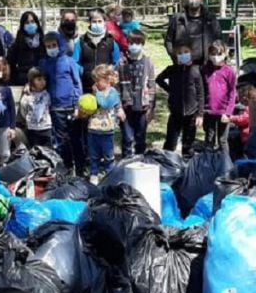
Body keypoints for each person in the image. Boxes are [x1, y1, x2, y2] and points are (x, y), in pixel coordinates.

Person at [41, 30, 83, 169]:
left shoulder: (69, 61)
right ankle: (66, 167)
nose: (52, 48)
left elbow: (77, 83)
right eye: (48, 46)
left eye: (54, 45)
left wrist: (77, 105)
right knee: (60, 140)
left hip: (71, 106)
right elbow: (39, 81)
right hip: (55, 107)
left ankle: (80, 167)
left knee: (75, 138)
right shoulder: (45, 64)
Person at [157, 43, 204, 155]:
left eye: (186, 52)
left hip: (191, 112)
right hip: (175, 111)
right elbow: (159, 79)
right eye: (180, 53)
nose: (183, 55)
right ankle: (167, 163)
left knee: (188, 143)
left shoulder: (195, 71)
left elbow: (201, 93)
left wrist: (200, 114)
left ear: (191, 54)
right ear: (176, 56)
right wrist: (170, 90)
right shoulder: (172, 70)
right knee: (170, 141)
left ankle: (187, 165)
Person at [118, 29, 156, 157]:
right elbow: (116, 87)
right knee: (127, 138)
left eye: (138, 43)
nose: (134, 46)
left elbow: (151, 85)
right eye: (132, 42)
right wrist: (118, 107)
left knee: (140, 138)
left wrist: (151, 107)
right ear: (127, 43)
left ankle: (140, 161)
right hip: (126, 107)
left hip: (143, 107)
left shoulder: (148, 62)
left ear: (143, 44)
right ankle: (126, 163)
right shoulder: (121, 63)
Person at [164, 0, 221, 65]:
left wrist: (215, 57)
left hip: (206, 66)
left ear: (201, 0)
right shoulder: (177, 19)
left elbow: (219, 40)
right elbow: (168, 41)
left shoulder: (210, 19)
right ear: (187, 0)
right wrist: (176, 57)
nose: (193, 0)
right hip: (182, 66)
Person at [87, 64, 124, 181]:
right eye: (94, 81)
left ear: (107, 79)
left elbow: (106, 104)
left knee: (108, 155)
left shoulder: (112, 92)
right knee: (93, 154)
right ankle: (94, 173)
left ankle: (110, 174)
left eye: (98, 81)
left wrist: (97, 94)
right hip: (93, 129)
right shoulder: (95, 92)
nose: (96, 84)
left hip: (107, 131)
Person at [74, 7, 121, 90]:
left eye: (99, 21)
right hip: (86, 85)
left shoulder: (111, 41)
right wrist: (83, 72)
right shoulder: (81, 41)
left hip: (105, 86)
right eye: (94, 21)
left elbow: (116, 62)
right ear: (90, 22)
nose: (97, 24)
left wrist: (107, 72)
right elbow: (74, 61)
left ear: (104, 22)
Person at [202, 39, 237, 149]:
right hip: (208, 111)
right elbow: (202, 90)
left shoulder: (229, 71)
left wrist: (228, 112)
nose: (215, 57)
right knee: (209, 139)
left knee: (223, 140)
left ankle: (224, 163)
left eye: (219, 54)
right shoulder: (205, 70)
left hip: (223, 111)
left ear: (224, 54)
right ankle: (208, 162)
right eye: (212, 54)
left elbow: (232, 92)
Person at [8, 10, 45, 86]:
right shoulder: (17, 44)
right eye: (27, 23)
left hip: (42, 81)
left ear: (37, 23)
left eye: (32, 21)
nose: (30, 24)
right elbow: (10, 64)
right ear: (23, 25)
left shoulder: (44, 42)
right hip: (23, 82)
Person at [19, 68, 53, 148]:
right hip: (32, 128)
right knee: (34, 149)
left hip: (46, 127)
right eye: (39, 79)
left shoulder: (47, 94)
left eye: (44, 79)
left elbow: (49, 106)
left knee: (48, 149)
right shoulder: (27, 96)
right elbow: (23, 110)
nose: (42, 82)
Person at [228, 84, 256, 159]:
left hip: (247, 136)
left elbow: (244, 119)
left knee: (247, 153)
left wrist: (231, 118)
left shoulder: (249, 108)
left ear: (245, 98)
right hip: (252, 135)